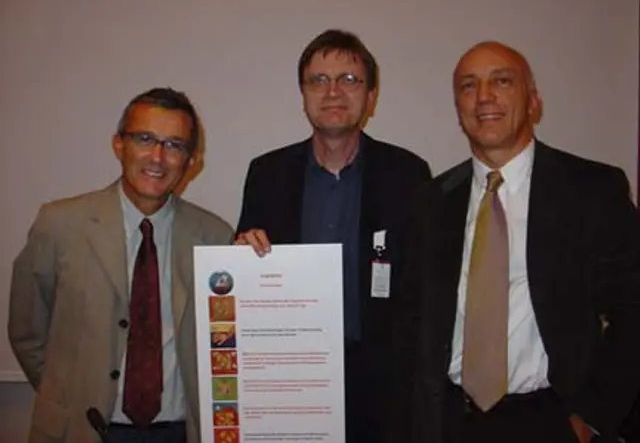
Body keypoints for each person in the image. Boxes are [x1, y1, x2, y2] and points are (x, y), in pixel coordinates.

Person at [388, 41, 640, 443]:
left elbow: (632, 311)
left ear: (534, 101)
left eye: (502, 81)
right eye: (468, 86)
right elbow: (409, 323)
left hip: (551, 422)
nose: (484, 96)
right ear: (458, 109)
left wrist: (591, 418)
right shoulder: (430, 203)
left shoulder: (592, 190)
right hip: (449, 422)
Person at [235, 29, 432, 442]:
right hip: (291, 382)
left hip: (382, 389)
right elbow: (245, 270)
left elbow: (422, 290)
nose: (333, 92)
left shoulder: (408, 174)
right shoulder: (267, 174)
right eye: (319, 80)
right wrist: (240, 259)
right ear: (303, 94)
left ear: (371, 96)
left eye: (349, 80)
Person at [9, 87, 233, 443]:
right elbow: (27, 332)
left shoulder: (216, 237)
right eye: (144, 139)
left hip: (179, 431)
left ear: (191, 161)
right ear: (118, 145)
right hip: (80, 429)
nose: (157, 157)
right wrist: (66, 398)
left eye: (174, 145)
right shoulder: (60, 225)